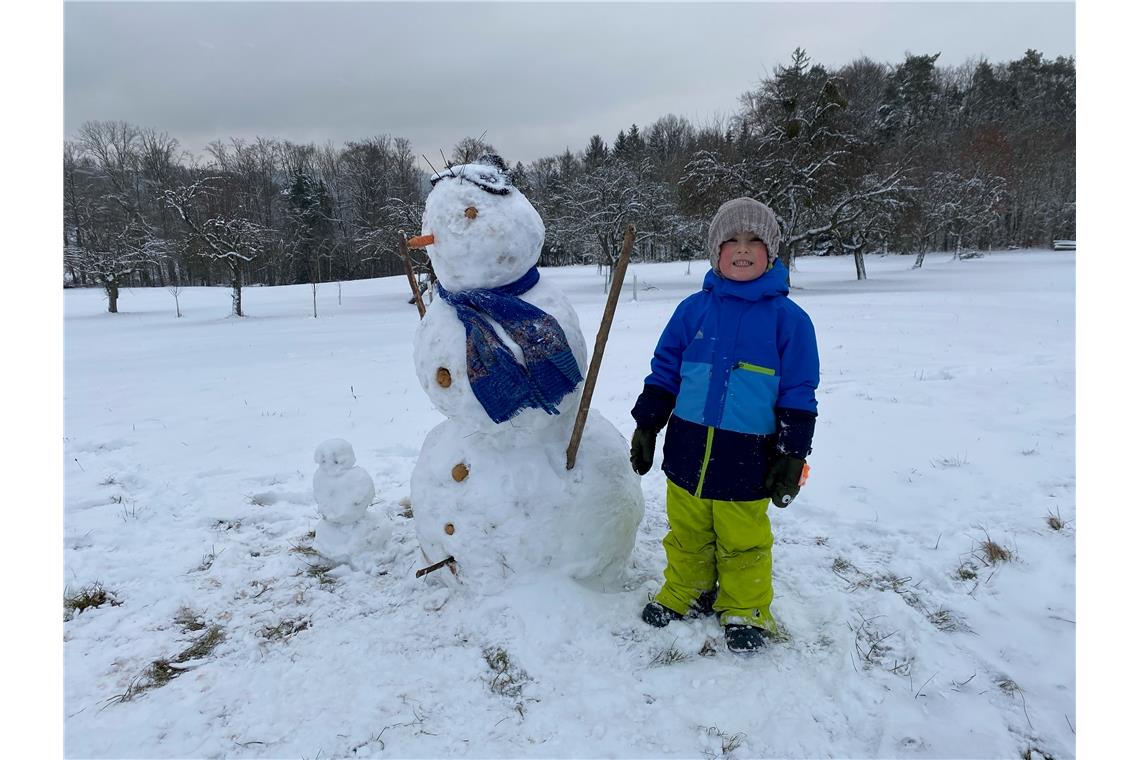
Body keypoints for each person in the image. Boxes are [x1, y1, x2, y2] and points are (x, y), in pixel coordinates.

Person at [629, 197, 820, 653]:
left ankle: (745, 606)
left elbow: (799, 391)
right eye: (731, 240)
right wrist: (647, 425)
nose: (742, 249)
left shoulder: (789, 321)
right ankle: (687, 589)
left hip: (748, 454)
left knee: (743, 539)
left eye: (755, 241)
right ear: (715, 251)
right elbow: (665, 371)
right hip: (688, 449)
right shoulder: (692, 311)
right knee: (688, 531)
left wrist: (793, 454)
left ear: (771, 252)